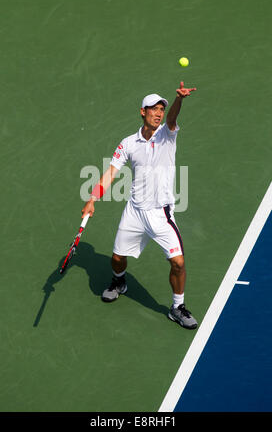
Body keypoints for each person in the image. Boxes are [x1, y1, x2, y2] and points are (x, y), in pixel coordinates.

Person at [81, 81, 197, 329]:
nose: (158, 113)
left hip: (160, 213)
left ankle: (177, 307)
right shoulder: (128, 143)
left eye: (161, 110)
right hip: (134, 211)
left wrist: (179, 100)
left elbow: (174, 116)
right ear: (142, 112)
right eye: (153, 109)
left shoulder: (168, 134)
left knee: (178, 263)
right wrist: (92, 199)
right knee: (116, 258)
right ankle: (119, 281)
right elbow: (111, 172)